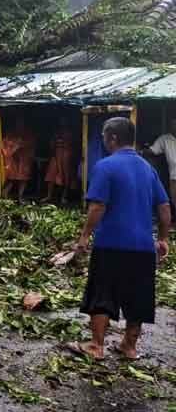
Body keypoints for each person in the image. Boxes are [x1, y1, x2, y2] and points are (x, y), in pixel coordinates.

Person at [69, 117, 170, 361]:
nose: (104, 141)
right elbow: (164, 208)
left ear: (112, 138)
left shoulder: (106, 166)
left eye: (104, 136)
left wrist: (84, 237)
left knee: (101, 294)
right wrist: (163, 239)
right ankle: (129, 346)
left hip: (111, 245)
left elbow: (97, 206)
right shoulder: (148, 169)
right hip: (143, 247)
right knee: (139, 296)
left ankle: (96, 345)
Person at [1, 114, 36, 203]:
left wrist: (18, 145)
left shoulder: (28, 134)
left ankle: (20, 197)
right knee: (11, 178)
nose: (19, 124)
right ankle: (4, 195)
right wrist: (8, 151)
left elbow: (27, 144)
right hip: (12, 159)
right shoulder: (11, 133)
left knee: (23, 179)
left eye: (21, 123)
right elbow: (4, 144)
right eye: (18, 123)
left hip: (24, 159)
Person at [43, 116, 75, 204]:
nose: (62, 123)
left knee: (66, 175)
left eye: (64, 121)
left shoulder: (70, 132)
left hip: (66, 154)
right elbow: (52, 143)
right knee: (51, 174)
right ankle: (49, 195)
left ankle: (64, 196)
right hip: (56, 154)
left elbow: (72, 143)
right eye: (61, 121)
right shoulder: (56, 132)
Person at [144, 117, 176, 202]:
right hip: (174, 178)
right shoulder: (165, 139)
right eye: (173, 124)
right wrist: (140, 150)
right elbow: (153, 150)